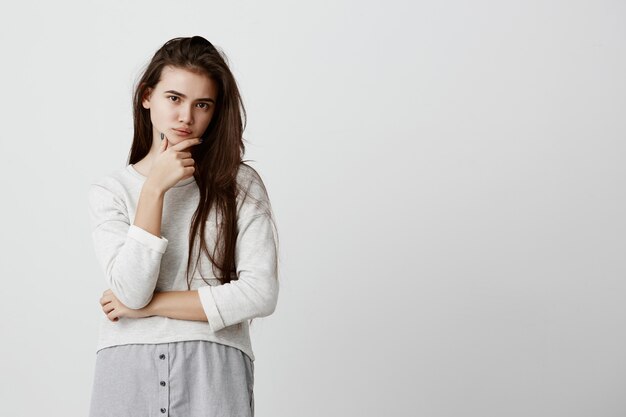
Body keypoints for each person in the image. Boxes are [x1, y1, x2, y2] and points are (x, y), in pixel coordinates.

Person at [87, 36, 280, 417]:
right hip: (127, 363)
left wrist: (148, 307)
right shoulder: (110, 191)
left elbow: (260, 294)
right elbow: (130, 289)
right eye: (173, 98)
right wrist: (154, 189)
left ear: (215, 111)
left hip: (213, 363)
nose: (186, 117)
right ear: (147, 96)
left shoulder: (239, 184)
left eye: (201, 104)